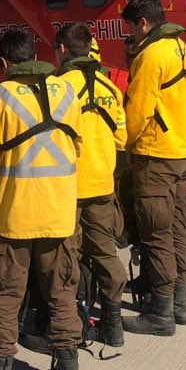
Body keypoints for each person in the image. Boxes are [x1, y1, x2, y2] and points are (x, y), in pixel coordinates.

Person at [0, 28, 84, 370]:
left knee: (5, 295)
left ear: (4, 62)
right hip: (59, 214)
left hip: (13, 217)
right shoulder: (67, 90)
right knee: (61, 292)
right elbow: (78, 145)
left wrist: (2, 192)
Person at [119, 0, 186, 336]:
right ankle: (179, 303)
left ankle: (161, 313)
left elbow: (138, 109)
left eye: (132, 27)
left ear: (144, 23)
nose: (131, 34)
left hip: (156, 155)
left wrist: (122, 144)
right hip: (183, 151)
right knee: (177, 227)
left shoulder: (151, 55)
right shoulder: (181, 48)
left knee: (155, 233)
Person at [54, 23, 127, 347]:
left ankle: (73, 322)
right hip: (101, 183)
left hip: (69, 186)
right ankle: (113, 326)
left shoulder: (57, 86)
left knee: (66, 256)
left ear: (62, 50)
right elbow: (122, 137)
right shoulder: (110, 88)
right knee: (105, 253)